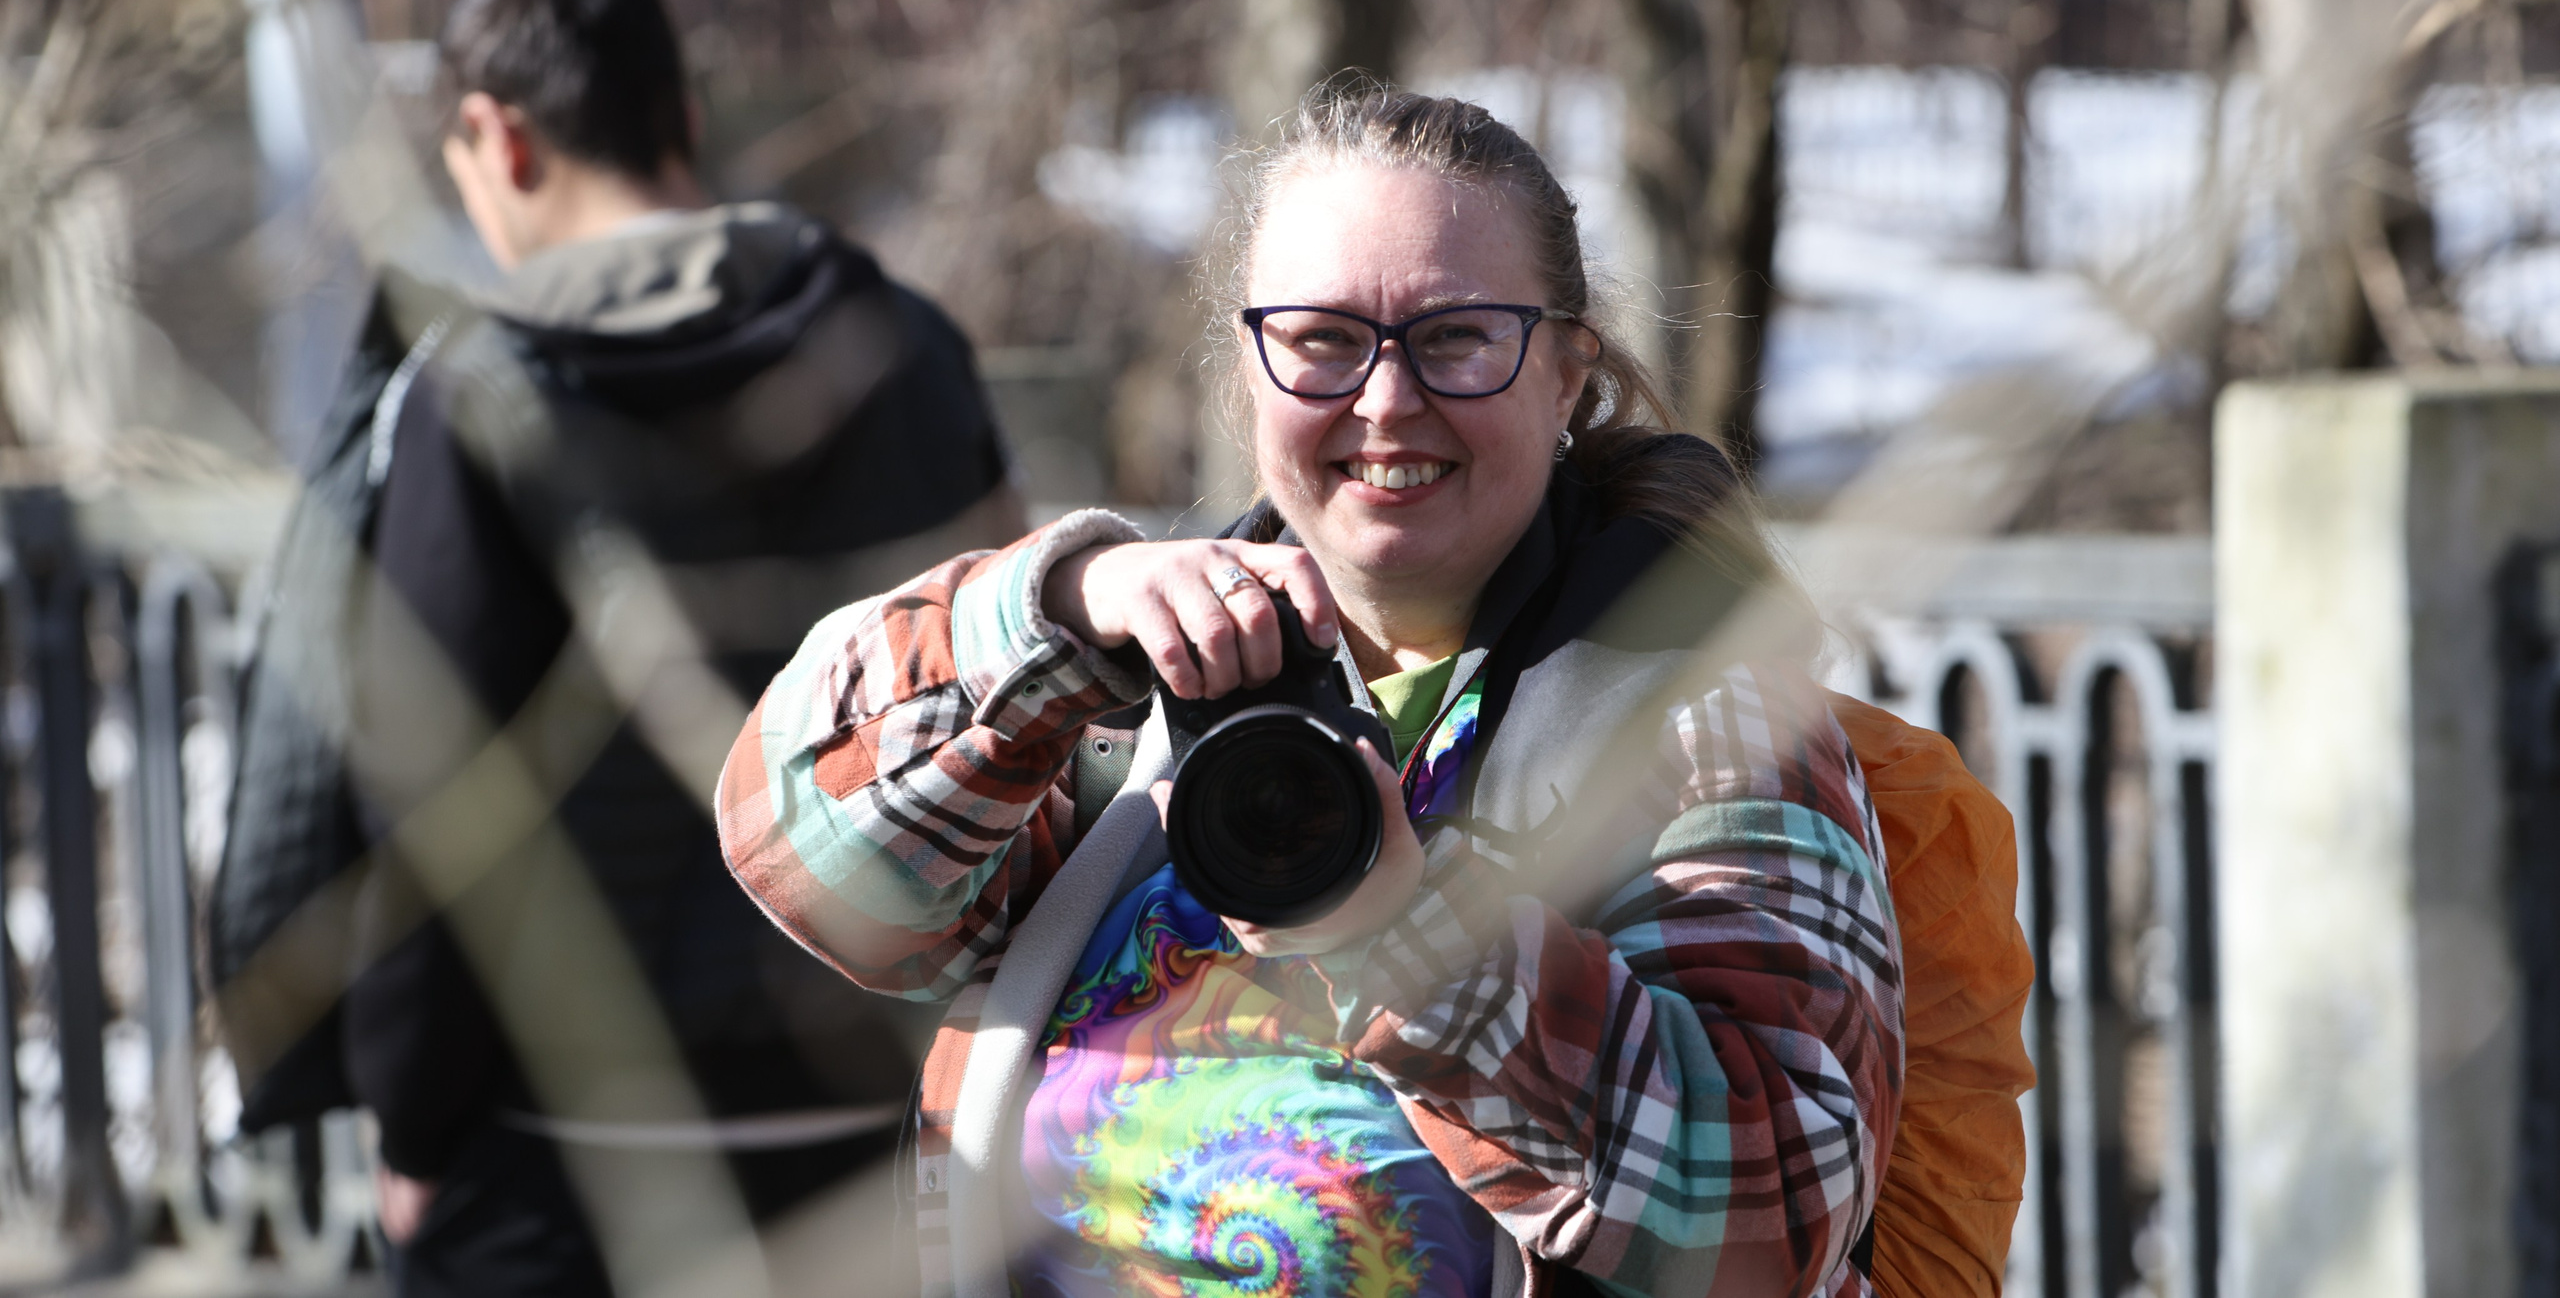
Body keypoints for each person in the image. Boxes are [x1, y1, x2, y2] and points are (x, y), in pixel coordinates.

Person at [723, 87, 2027, 1297]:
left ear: (1567, 373)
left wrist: (1405, 936)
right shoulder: (1127, 691)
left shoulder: (1698, 717)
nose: (1388, 402)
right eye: (1323, 342)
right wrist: (1060, 608)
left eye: (1458, 339)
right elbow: (814, 864)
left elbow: (1773, 1215)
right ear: (1248, 372)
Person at [340, 0, 1020, 1296]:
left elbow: (434, 792)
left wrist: (409, 1112)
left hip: (566, 1146)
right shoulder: (902, 348)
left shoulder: (484, 394)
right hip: (884, 1121)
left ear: (498, 138)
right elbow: (1019, 694)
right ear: (684, 117)